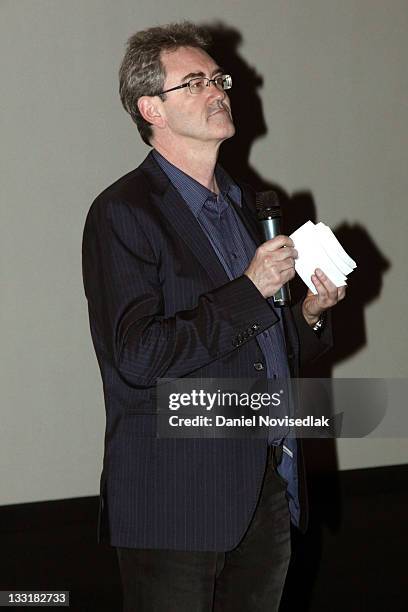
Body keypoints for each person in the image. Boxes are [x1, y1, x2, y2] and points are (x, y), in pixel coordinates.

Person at [82, 21, 345, 612]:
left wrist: (306, 314)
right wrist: (251, 288)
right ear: (152, 108)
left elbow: (262, 349)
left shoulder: (250, 205)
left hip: (268, 487)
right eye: (194, 82)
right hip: (176, 499)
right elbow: (137, 356)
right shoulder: (123, 213)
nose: (218, 90)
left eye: (218, 77)